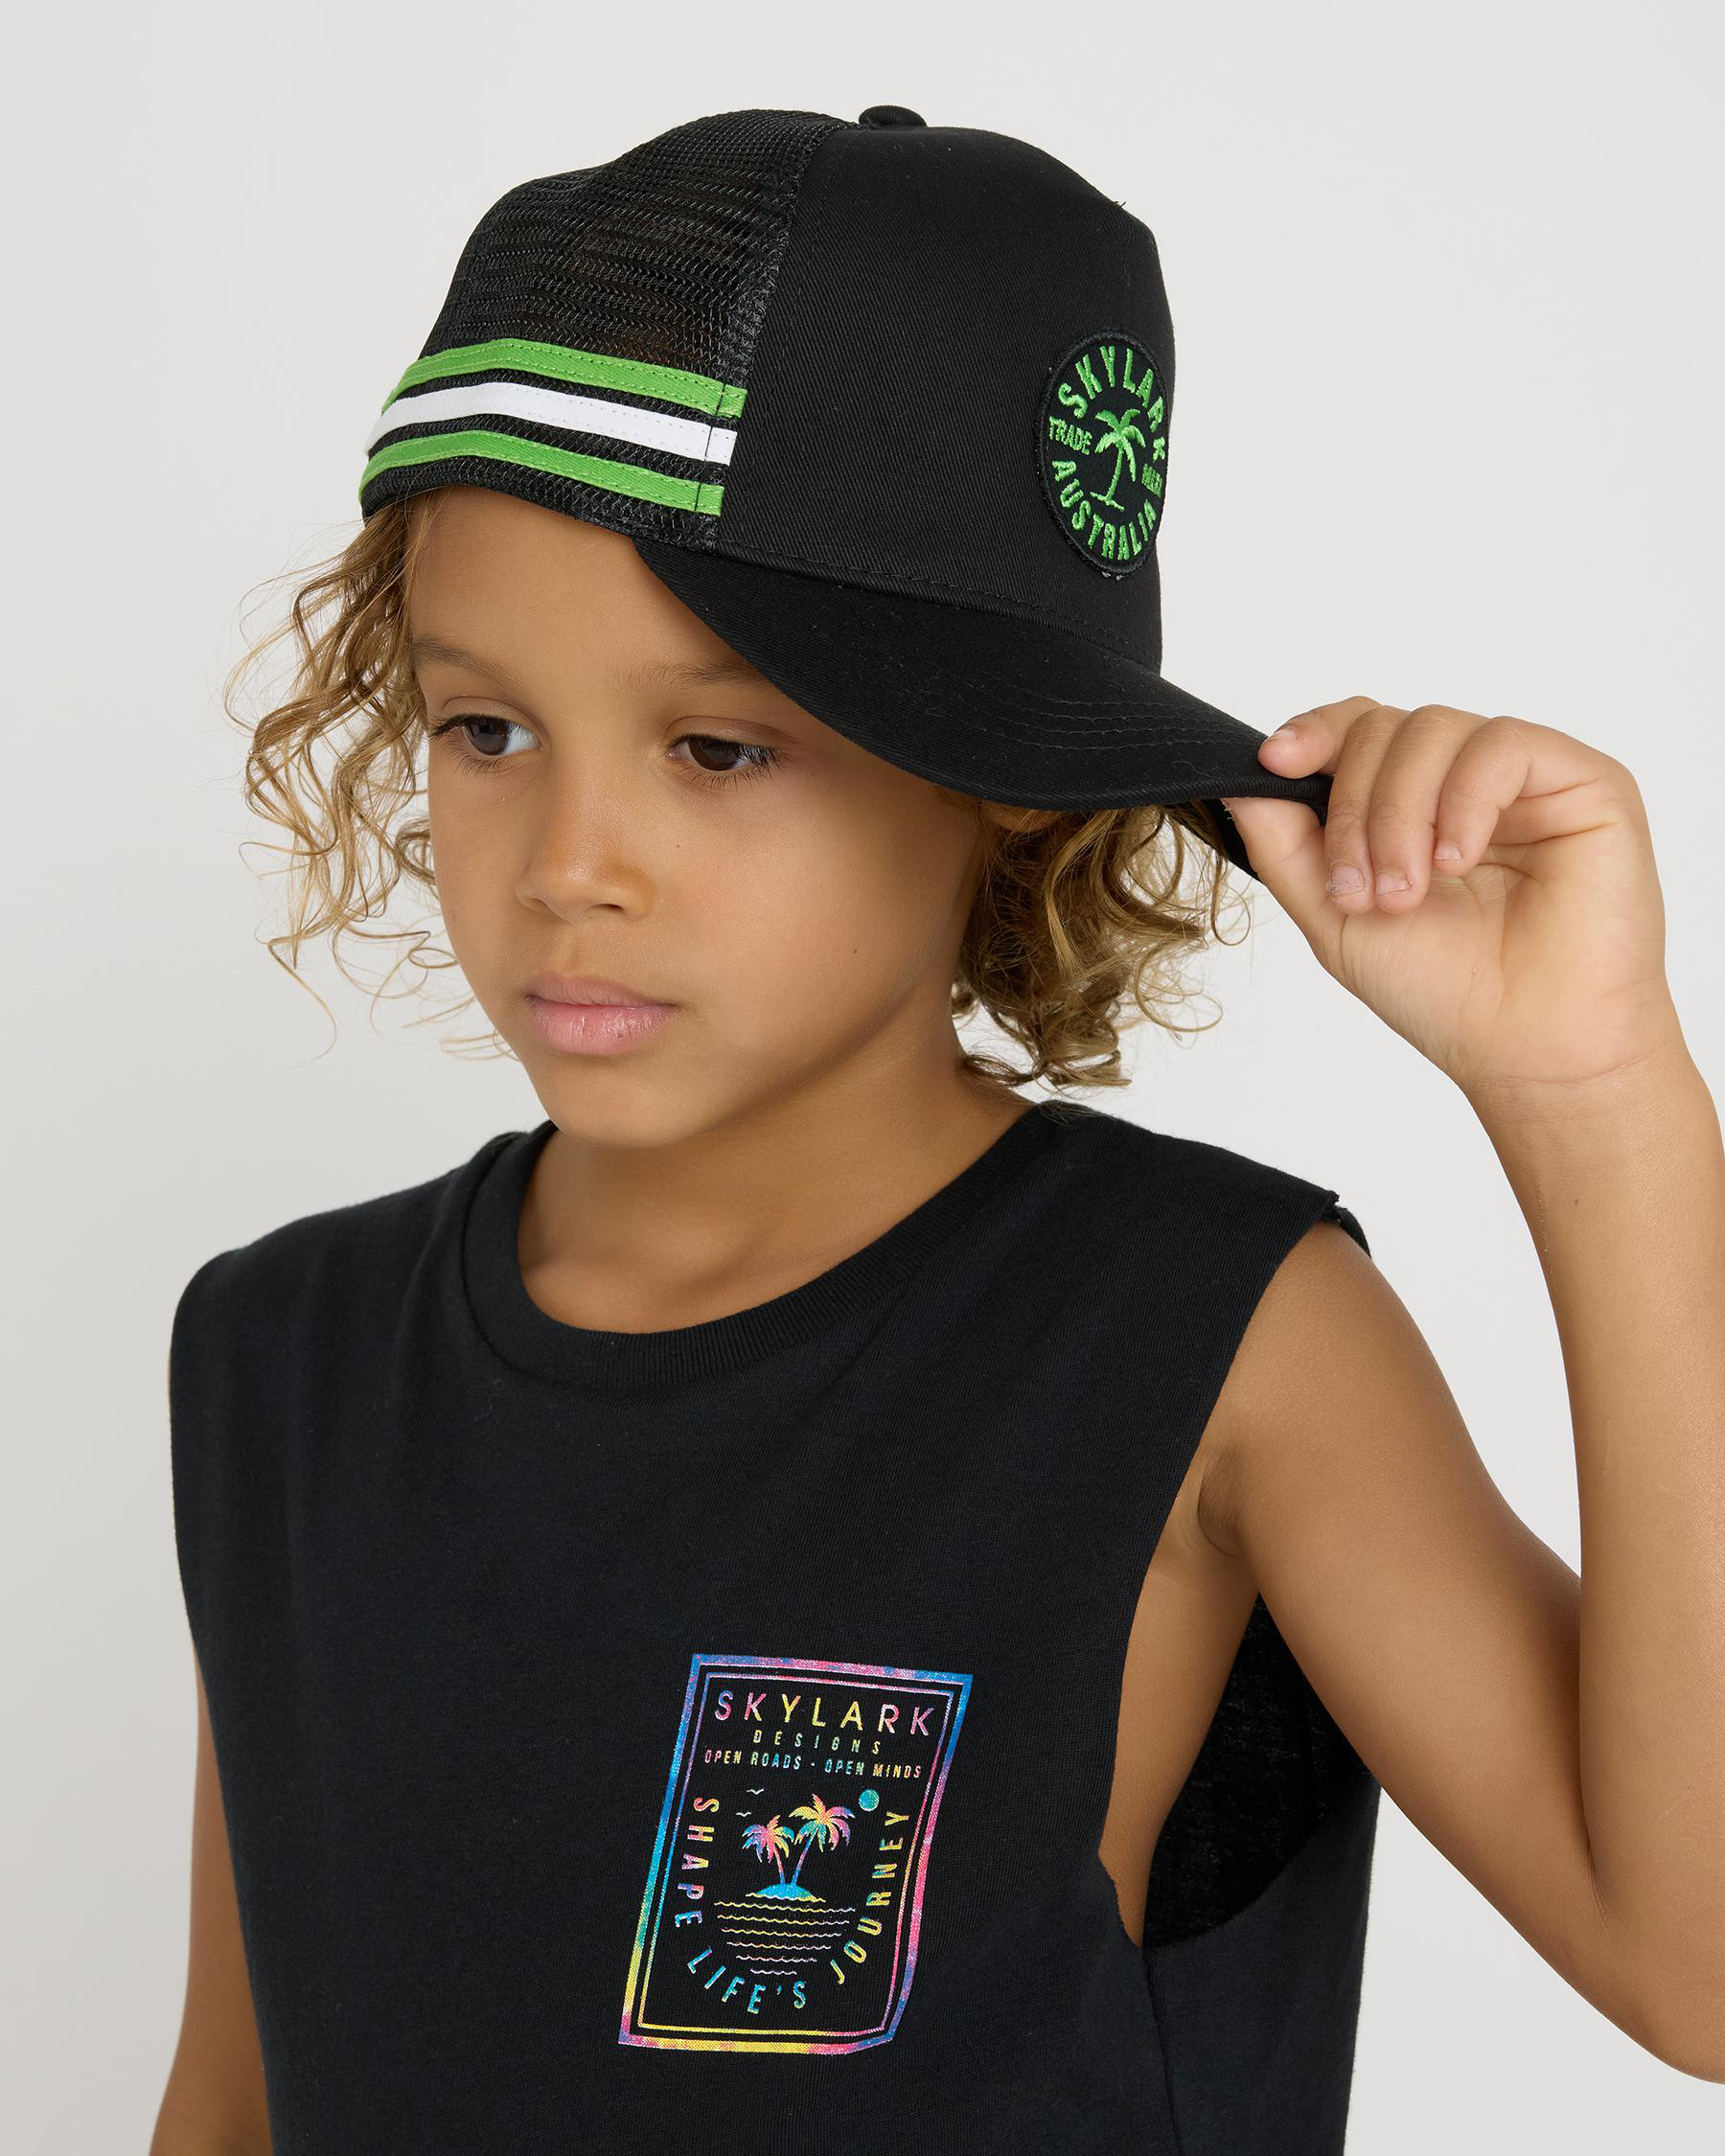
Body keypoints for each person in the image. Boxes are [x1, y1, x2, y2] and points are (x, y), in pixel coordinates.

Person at [150, 106, 1725, 2156]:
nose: (568, 863)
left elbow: (1701, 1966)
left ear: (995, 763)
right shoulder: (282, 1356)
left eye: (719, 746)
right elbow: (234, 2103)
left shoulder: (1216, 1336)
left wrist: (1593, 1093)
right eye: (488, 727)